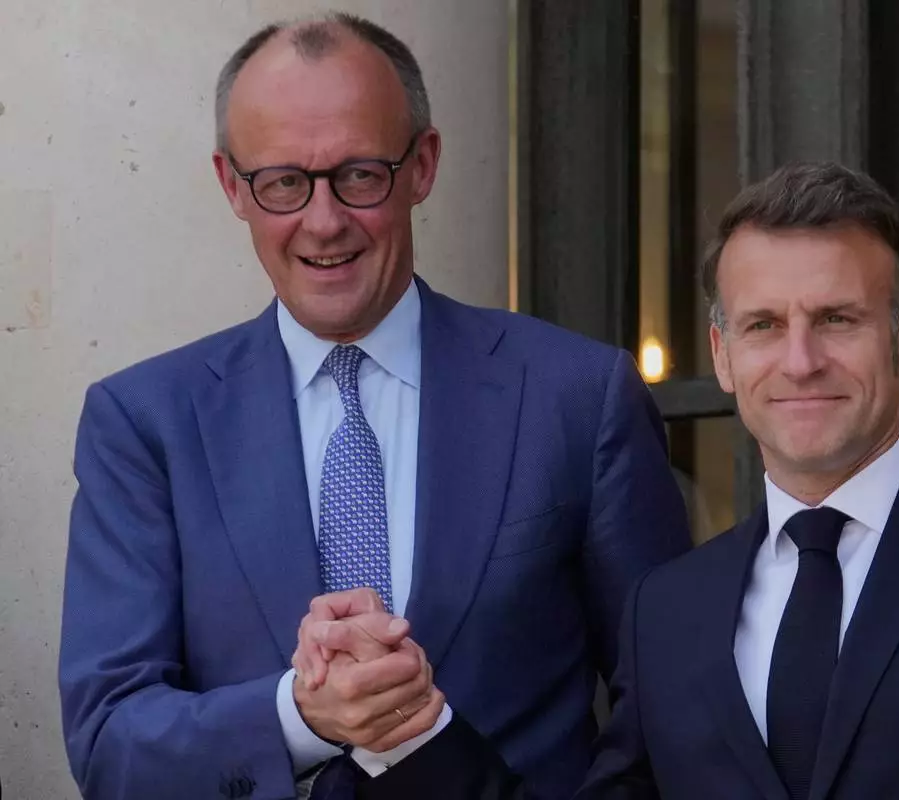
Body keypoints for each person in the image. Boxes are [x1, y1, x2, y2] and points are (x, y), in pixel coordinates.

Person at [341, 161, 899, 799]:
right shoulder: (668, 610)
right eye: (762, 325)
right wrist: (414, 730)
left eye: (837, 319)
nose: (800, 360)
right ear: (723, 356)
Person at [57, 12, 690, 800]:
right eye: (284, 182)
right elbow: (110, 741)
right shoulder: (144, 422)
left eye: (359, 174)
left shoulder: (577, 396)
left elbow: (671, 712)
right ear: (232, 187)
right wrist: (303, 715)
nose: (324, 221)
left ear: (423, 165)